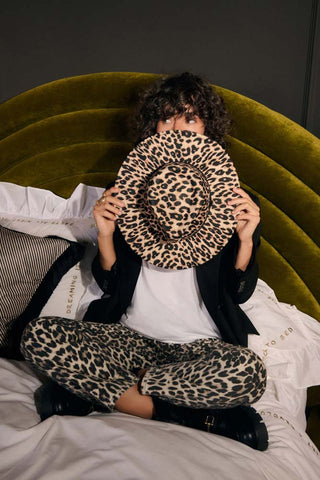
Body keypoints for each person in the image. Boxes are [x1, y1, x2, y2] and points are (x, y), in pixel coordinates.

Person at [21, 72, 268, 451]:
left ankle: (99, 394)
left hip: (197, 349)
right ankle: (183, 414)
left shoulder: (231, 200)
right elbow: (108, 285)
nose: (175, 127)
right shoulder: (127, 191)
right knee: (38, 336)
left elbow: (239, 293)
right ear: (153, 125)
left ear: (207, 128)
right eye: (166, 116)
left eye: (189, 117)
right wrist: (104, 234)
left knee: (249, 373)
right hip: (129, 339)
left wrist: (246, 240)